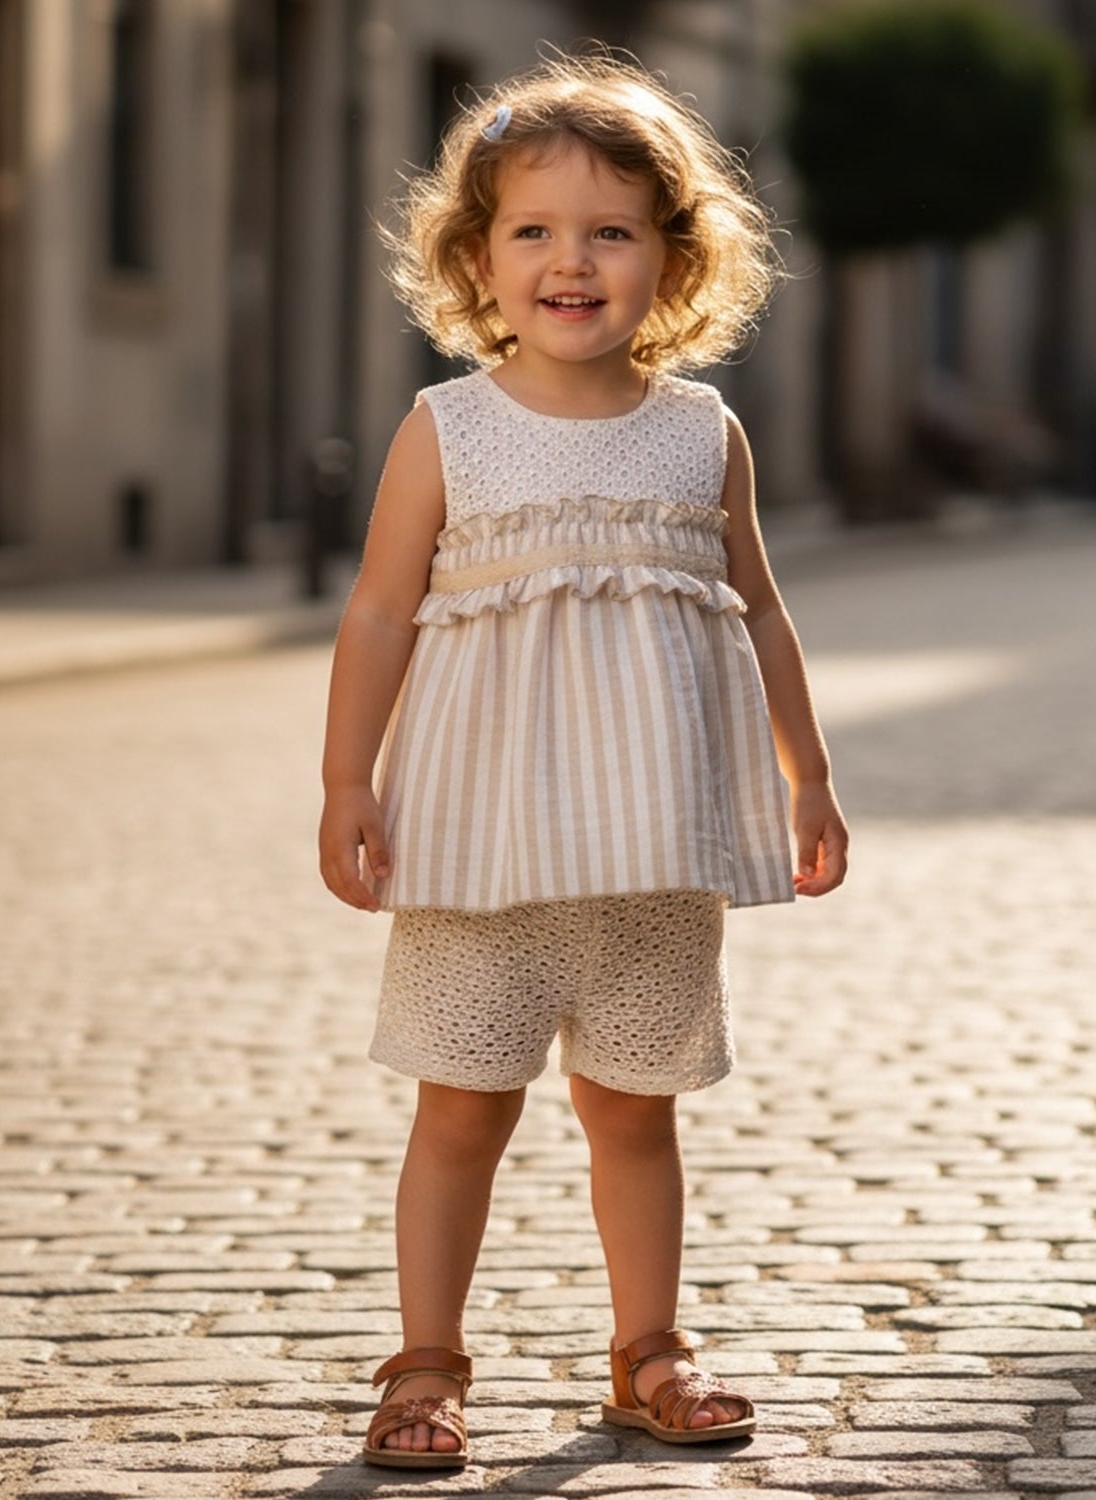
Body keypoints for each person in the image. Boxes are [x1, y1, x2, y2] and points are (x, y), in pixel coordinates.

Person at [318, 51, 849, 1470]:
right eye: (534, 231)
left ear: (672, 258)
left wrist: (809, 774)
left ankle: (647, 1350)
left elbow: (760, 610)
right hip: (484, 846)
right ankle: (425, 1363)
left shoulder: (700, 435)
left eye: (611, 231)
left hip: (650, 845)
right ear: (477, 258)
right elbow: (375, 614)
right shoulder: (449, 430)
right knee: (461, 1107)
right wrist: (346, 783)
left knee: (635, 1106)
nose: (572, 261)